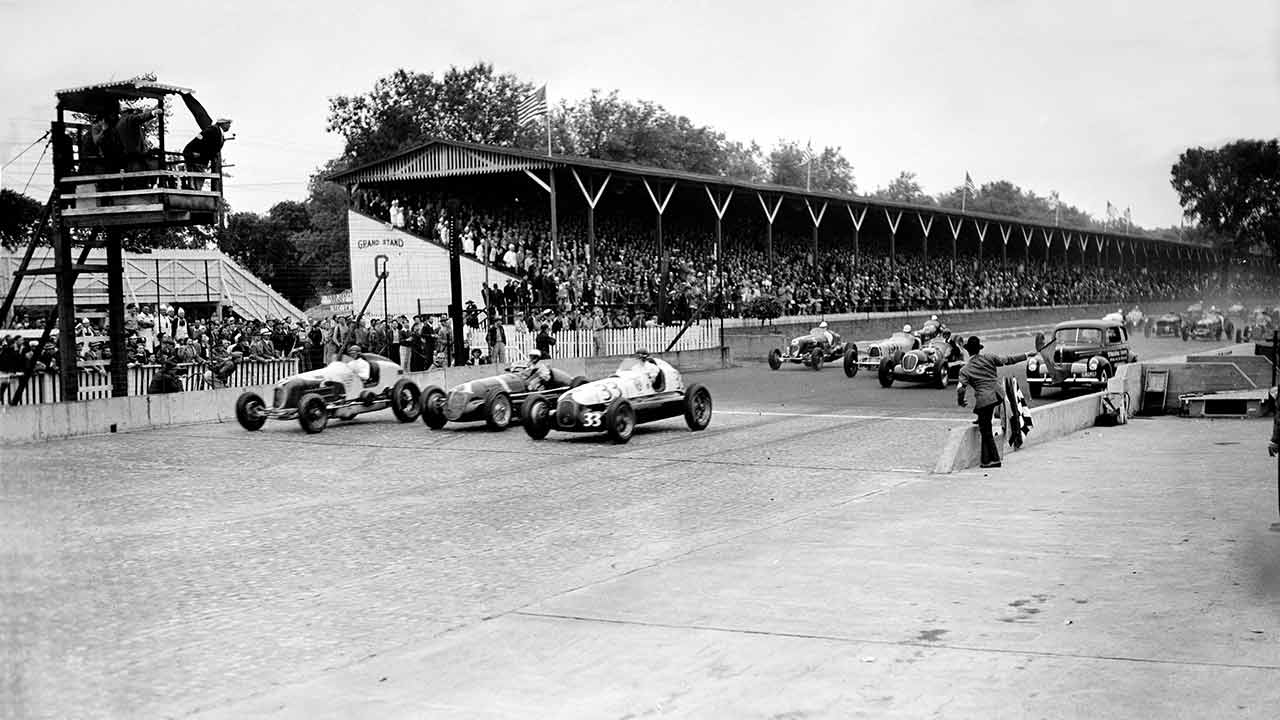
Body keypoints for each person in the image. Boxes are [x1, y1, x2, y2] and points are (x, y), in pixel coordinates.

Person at [957, 335, 1038, 468]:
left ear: (968, 351)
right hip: (998, 394)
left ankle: (992, 460)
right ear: (979, 349)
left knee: (986, 430)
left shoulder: (965, 369)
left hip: (985, 399)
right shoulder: (989, 357)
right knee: (984, 420)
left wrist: (960, 401)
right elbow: (1008, 360)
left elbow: (960, 389)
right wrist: (1026, 355)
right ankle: (987, 458)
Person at [182, 118, 231, 190]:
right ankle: (195, 192)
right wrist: (198, 153)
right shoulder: (213, 130)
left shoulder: (218, 131)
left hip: (201, 158)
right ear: (223, 123)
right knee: (198, 175)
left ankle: (196, 190)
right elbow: (202, 141)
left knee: (199, 176)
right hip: (196, 157)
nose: (229, 126)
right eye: (228, 123)